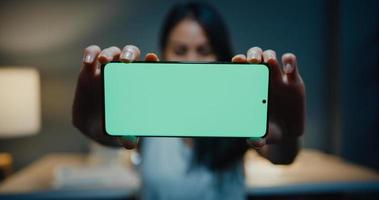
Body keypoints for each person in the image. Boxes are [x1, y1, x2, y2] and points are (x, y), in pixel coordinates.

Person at [72, 2, 305, 200]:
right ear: (163, 53)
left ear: (221, 55)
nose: (192, 61)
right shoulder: (147, 110)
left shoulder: (235, 114)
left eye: (204, 50)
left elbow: (282, 157)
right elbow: (111, 138)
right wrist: (93, 125)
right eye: (180, 50)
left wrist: (286, 133)